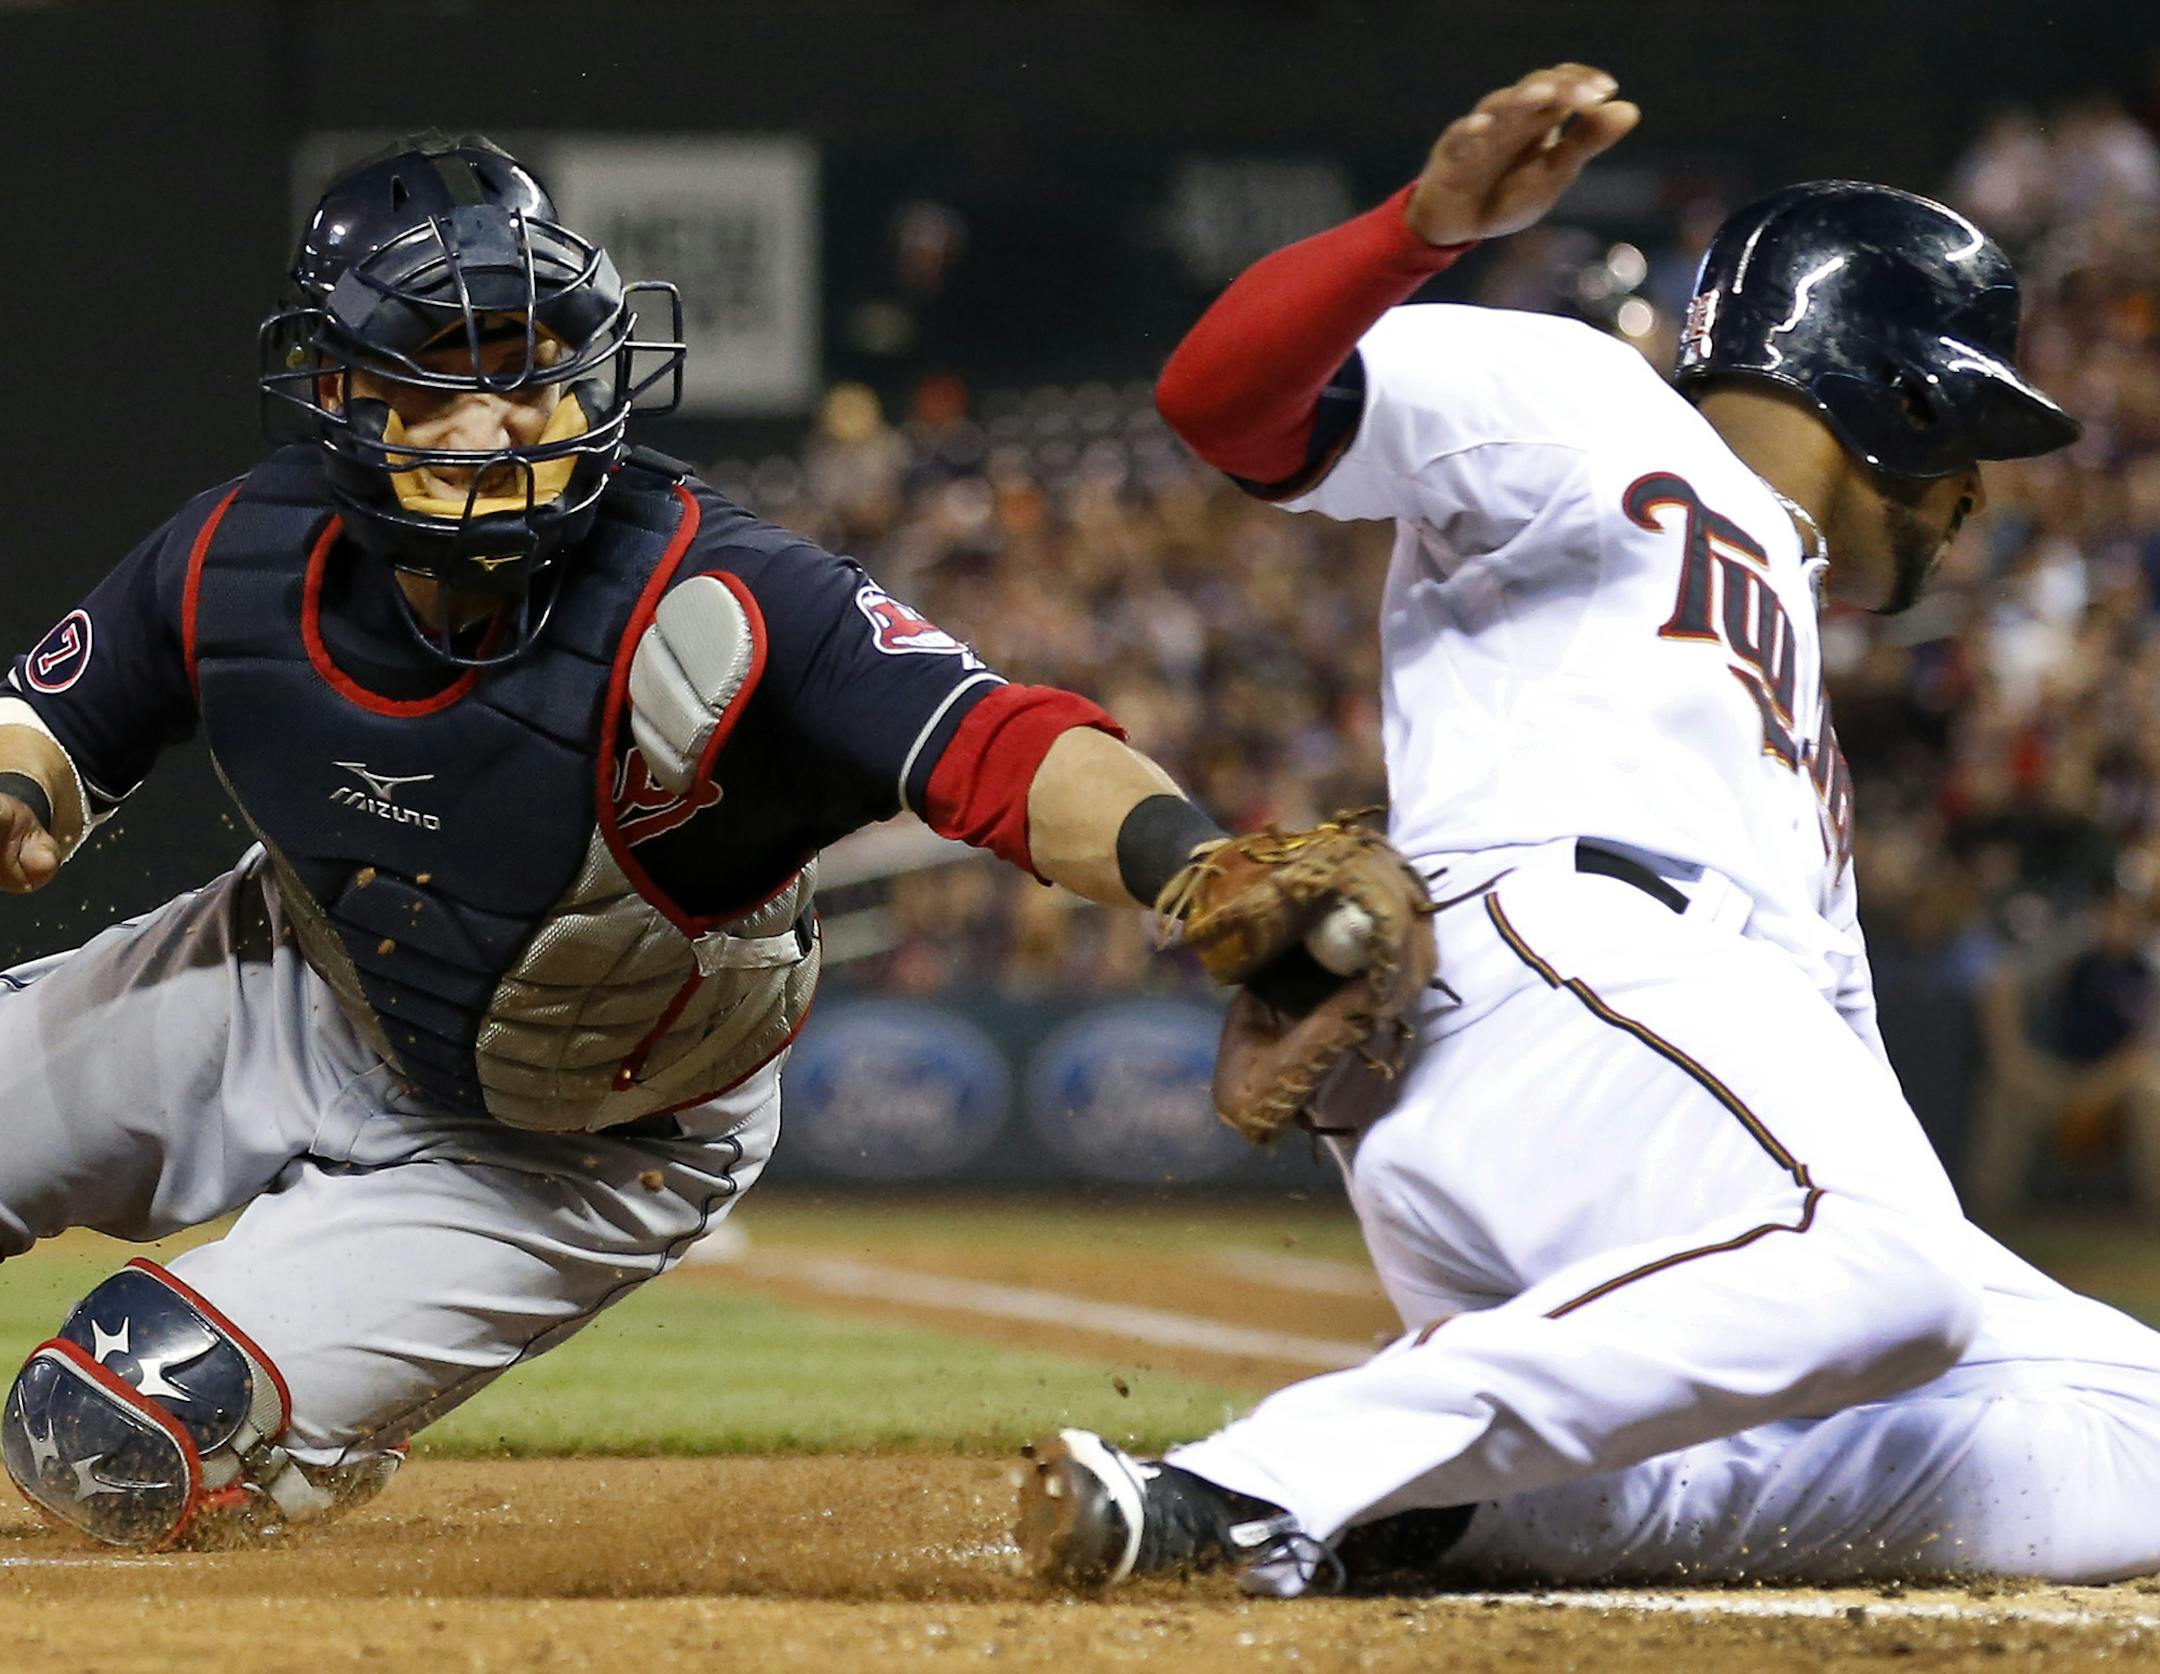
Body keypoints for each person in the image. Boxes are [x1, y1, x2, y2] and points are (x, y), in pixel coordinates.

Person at [0, 133, 1268, 1550]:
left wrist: (1197, 864)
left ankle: (294, 1417)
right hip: (288, 982)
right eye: (447, 368)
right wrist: (18, 793)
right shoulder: (236, 553)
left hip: (585, 1139)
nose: (504, 419)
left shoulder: (722, 596)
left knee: (106, 1432)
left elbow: (1005, 748)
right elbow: (45, 730)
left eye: (534, 369)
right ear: (345, 392)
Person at [1015, 64, 2160, 1594]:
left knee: (2117, 1416)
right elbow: (1221, 403)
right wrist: (1417, 233)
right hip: (1541, 977)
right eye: (1970, 442)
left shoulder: (1786, 665)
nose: (1967, 499)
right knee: (1891, 1263)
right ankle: (1250, 1484)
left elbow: (1826, 1034)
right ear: (1906, 389)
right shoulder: (1589, 402)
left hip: (1674, 1072)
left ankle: (1461, 1511)